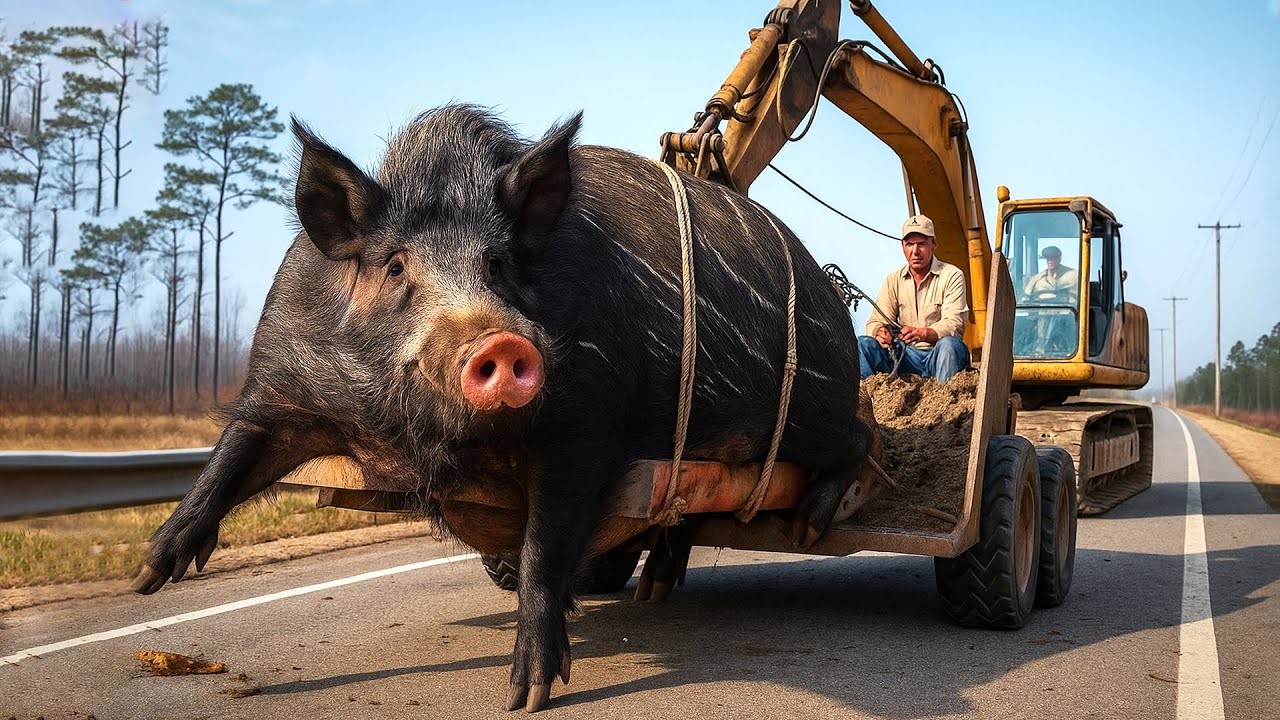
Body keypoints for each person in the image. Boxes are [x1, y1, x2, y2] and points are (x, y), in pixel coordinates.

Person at [858, 214, 971, 384]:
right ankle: (869, 402)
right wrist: (879, 332)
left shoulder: (952, 275)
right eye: (909, 244)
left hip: (937, 354)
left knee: (949, 345)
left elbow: (954, 323)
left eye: (922, 244)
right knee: (863, 344)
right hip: (904, 355)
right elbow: (875, 321)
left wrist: (924, 333)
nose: (915, 251)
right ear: (902, 246)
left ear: (934, 244)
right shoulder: (893, 280)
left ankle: (944, 403)